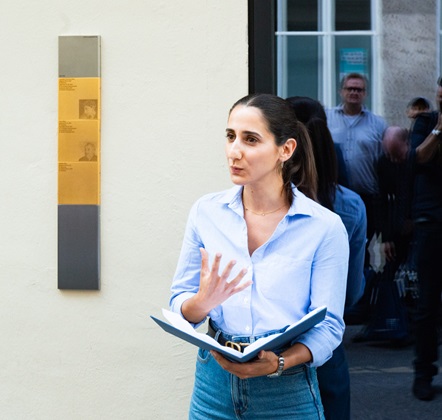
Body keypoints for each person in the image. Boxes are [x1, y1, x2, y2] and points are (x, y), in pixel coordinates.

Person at [169, 93, 349, 419]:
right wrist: (202, 302)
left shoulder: (324, 228)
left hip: (286, 388)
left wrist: (279, 363)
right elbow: (179, 302)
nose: (234, 151)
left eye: (250, 139)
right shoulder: (206, 212)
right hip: (214, 383)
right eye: (230, 136)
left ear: (286, 149)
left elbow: (329, 328)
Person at [288, 96, 366, 420]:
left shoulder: (258, 205)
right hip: (327, 351)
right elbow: (352, 292)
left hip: (270, 352)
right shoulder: (350, 207)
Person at [409, 78, 442, 401]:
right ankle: (423, 374)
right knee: (428, 304)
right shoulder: (426, 122)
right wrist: (440, 128)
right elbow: (417, 159)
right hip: (432, 223)